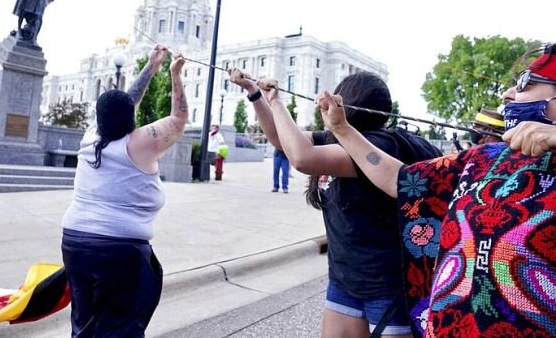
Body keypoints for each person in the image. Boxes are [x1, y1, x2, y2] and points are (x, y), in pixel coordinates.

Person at [317, 45, 556, 337]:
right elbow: (398, 179)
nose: (507, 95)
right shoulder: (482, 158)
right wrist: (341, 128)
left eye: (523, 85)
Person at [229, 68, 441, 338]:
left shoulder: (379, 145)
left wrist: (277, 102)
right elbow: (282, 141)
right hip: (344, 281)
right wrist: (257, 94)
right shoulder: (337, 138)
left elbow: (302, 158)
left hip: (388, 286)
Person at [61, 44, 187, 338]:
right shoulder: (142, 142)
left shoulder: (91, 135)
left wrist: (151, 66)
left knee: (84, 322)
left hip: (75, 243)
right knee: (122, 327)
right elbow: (179, 119)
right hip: (119, 250)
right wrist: (174, 74)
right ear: (131, 117)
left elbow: (127, 101)